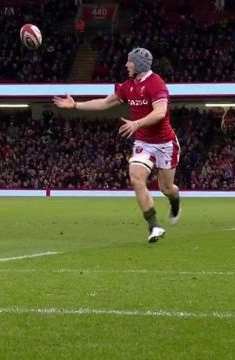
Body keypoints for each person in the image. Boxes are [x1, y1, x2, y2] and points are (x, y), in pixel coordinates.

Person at [53, 48, 180, 243]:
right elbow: (104, 103)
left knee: (166, 188)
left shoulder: (156, 84)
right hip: (144, 142)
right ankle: (154, 225)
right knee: (136, 178)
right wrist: (76, 105)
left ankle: (175, 201)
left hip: (165, 143)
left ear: (138, 64)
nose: (126, 65)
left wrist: (136, 123)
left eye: (129, 62)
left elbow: (160, 112)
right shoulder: (127, 86)